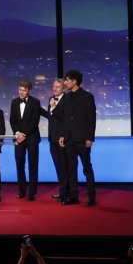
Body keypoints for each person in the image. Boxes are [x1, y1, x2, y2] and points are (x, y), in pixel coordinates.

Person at [57, 70, 97, 206]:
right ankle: (73, 196)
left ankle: (92, 197)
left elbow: (91, 119)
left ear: (74, 81)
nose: (65, 82)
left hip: (83, 140)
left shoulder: (87, 97)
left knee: (87, 168)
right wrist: (63, 135)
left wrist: (90, 138)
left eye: (67, 80)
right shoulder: (66, 97)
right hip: (69, 140)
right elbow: (65, 119)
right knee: (71, 169)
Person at [10, 81, 43, 201]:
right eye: (20, 90)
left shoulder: (35, 102)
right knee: (19, 165)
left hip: (32, 138)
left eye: (24, 90)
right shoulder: (14, 102)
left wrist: (25, 134)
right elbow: (12, 120)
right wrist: (17, 133)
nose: (21, 92)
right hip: (19, 138)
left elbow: (35, 121)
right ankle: (22, 191)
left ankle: (32, 193)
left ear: (29, 91)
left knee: (33, 165)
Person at [43, 78, 67, 201]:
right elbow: (51, 117)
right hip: (52, 138)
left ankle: (66, 193)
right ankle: (62, 191)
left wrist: (54, 106)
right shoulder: (51, 99)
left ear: (63, 88)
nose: (55, 88)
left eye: (58, 86)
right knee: (58, 166)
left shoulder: (67, 100)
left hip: (62, 139)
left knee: (64, 166)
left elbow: (65, 118)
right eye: (54, 86)